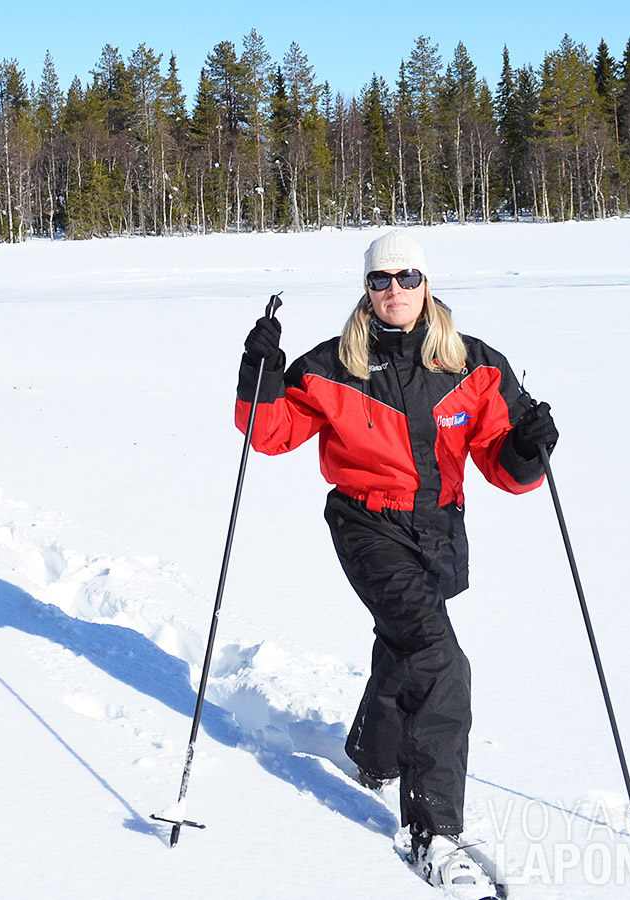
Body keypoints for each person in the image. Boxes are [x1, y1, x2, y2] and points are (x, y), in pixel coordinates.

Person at [235, 231, 557, 899]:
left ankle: (372, 755)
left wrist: (529, 447)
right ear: (366, 288)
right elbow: (269, 435)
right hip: (366, 526)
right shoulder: (332, 366)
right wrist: (258, 374)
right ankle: (433, 829)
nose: (394, 291)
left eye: (406, 277)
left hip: (438, 530)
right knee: (439, 657)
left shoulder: (476, 365)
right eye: (381, 280)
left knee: (405, 642)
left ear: (426, 284)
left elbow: (507, 467)